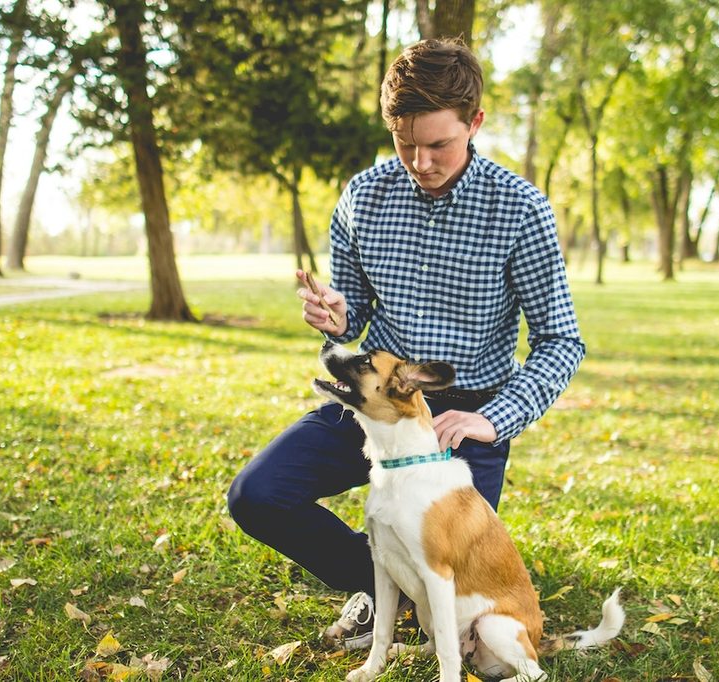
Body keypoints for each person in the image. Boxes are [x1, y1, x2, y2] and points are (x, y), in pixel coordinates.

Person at [227, 37, 585, 651]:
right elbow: (355, 317)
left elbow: (560, 341)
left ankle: (410, 586)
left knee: (446, 610)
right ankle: (375, 580)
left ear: (475, 123)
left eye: (438, 144)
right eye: (405, 143)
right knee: (257, 495)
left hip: (461, 417)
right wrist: (336, 319)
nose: (420, 161)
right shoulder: (363, 198)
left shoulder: (521, 209)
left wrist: (491, 419)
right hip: (375, 402)